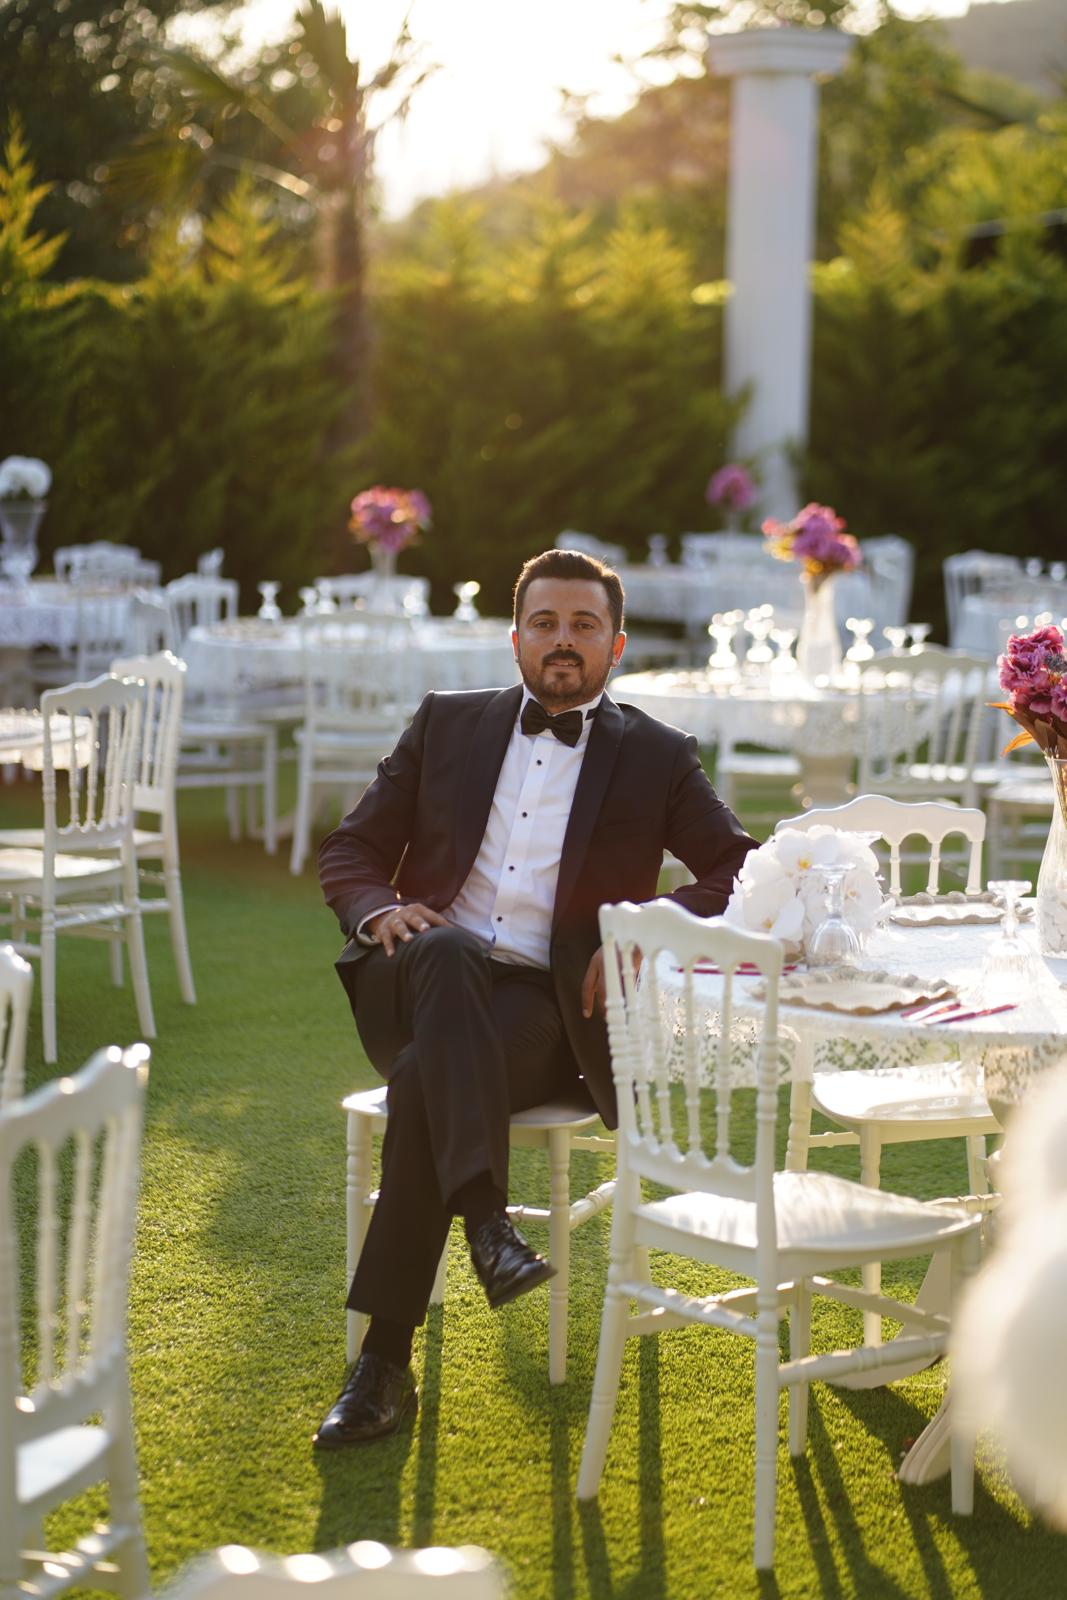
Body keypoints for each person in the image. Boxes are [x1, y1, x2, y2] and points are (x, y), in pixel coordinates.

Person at [313, 547, 757, 1448]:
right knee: (445, 949)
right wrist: (381, 910)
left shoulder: (657, 755)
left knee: (422, 1084)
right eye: (544, 623)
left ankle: (382, 1363)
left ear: (615, 645)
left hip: (540, 1008)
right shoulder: (444, 722)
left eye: (583, 626)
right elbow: (350, 851)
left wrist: (647, 921)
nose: (562, 641)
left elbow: (738, 868)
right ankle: (486, 1219)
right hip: (414, 978)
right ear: (514, 639)